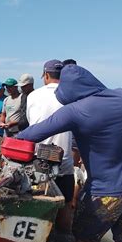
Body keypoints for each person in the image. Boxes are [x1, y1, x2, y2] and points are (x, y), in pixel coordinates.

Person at [17, 64, 122, 242]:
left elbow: (32, 134)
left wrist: (11, 142)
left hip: (105, 192)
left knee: (83, 238)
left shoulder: (75, 111)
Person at [26, 59, 75, 232]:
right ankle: (63, 241)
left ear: (46, 75)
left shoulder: (33, 96)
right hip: (65, 161)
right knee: (66, 204)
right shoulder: (72, 96)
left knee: (38, 204)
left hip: (40, 160)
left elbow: (32, 125)